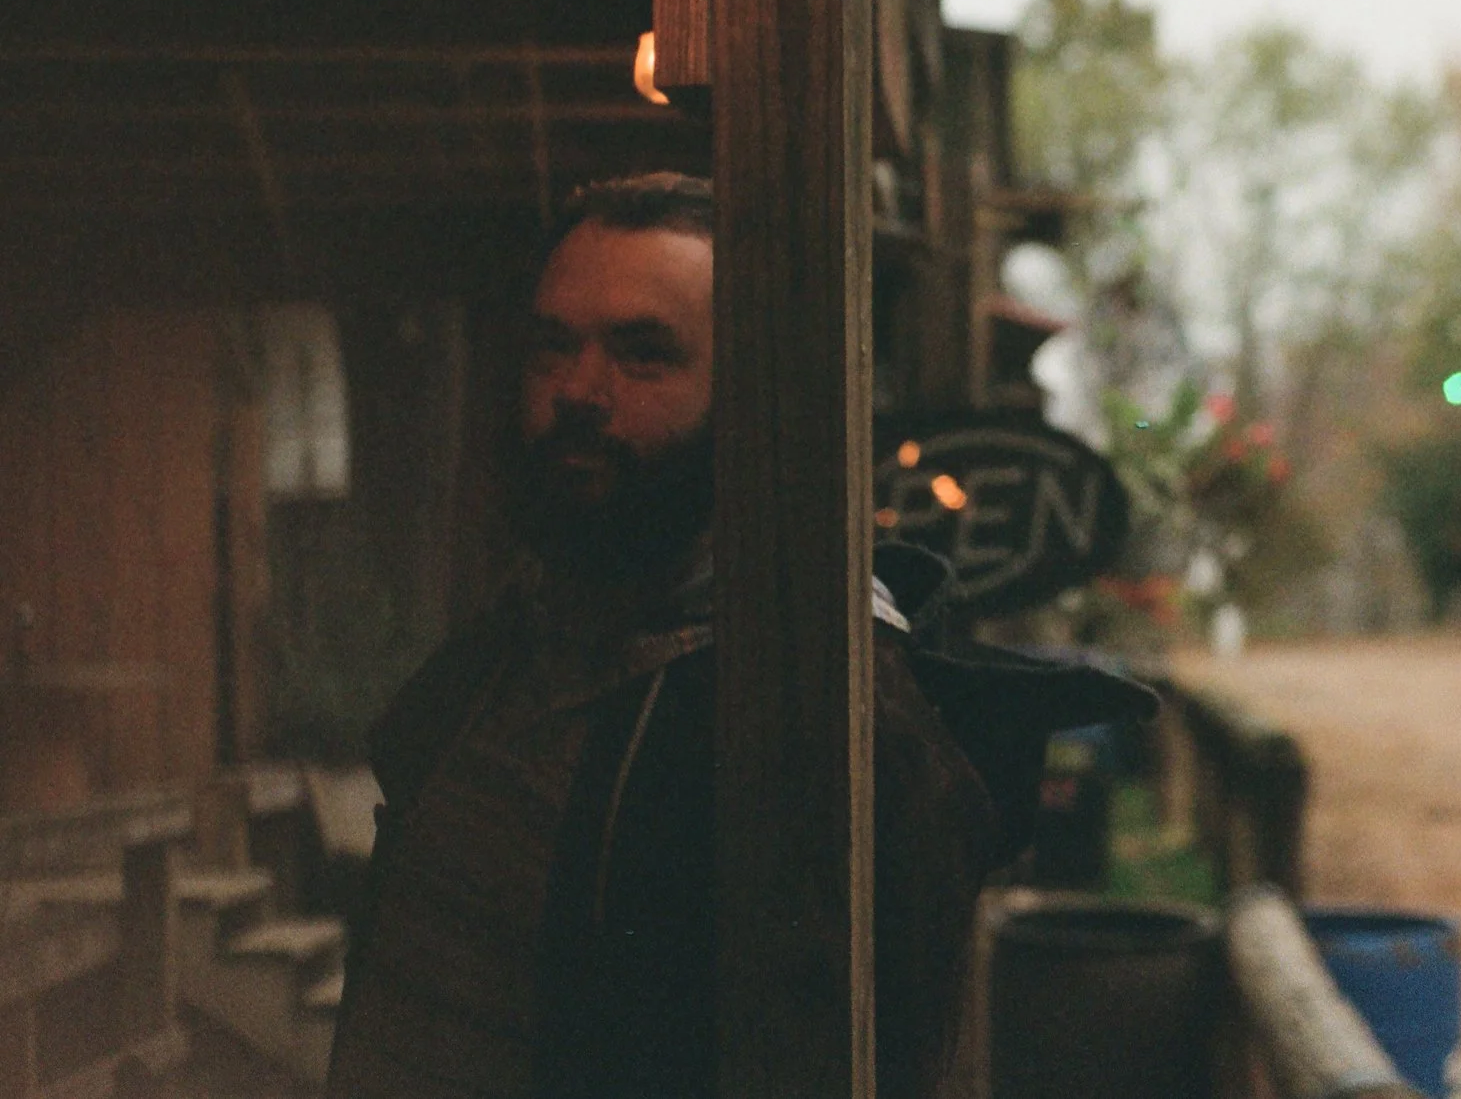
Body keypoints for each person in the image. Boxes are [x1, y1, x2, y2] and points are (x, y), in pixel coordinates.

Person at [325, 173, 1151, 1099]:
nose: (578, 393)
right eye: (553, 348)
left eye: (644, 356)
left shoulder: (820, 709)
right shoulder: (497, 662)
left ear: (749, 400)